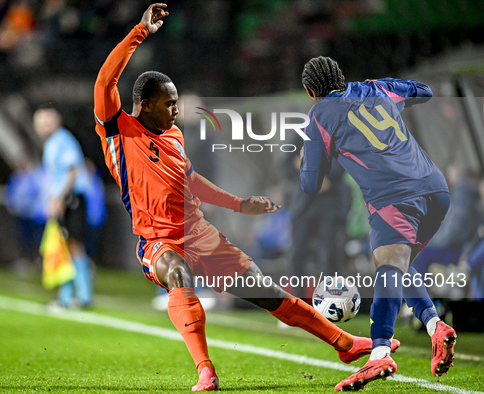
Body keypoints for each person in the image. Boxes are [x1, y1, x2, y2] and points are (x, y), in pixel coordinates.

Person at [94, 5, 391, 391]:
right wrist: (140, 31)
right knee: (178, 274)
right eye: (169, 103)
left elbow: (191, 181)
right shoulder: (119, 129)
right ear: (144, 104)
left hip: (199, 234)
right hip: (158, 241)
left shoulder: (174, 137)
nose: (175, 110)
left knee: (268, 294)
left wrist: (238, 203)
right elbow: (104, 81)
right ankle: (205, 370)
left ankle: (345, 344)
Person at [299, 56, 457, 391]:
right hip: (436, 190)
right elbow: (424, 92)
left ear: (310, 91)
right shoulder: (377, 88)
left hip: (394, 199)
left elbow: (310, 184)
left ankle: (380, 352)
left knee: (388, 266)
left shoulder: (320, 114)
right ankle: (435, 326)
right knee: (398, 264)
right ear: (343, 77)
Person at [34, 105, 94, 309]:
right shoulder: (53, 142)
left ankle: (78, 296)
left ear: (57, 121)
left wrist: (59, 199)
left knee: (73, 245)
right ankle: (72, 295)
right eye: (40, 122)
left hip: (72, 199)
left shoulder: (62, 140)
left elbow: (72, 171)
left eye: (47, 121)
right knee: (67, 246)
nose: (43, 125)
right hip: (67, 199)